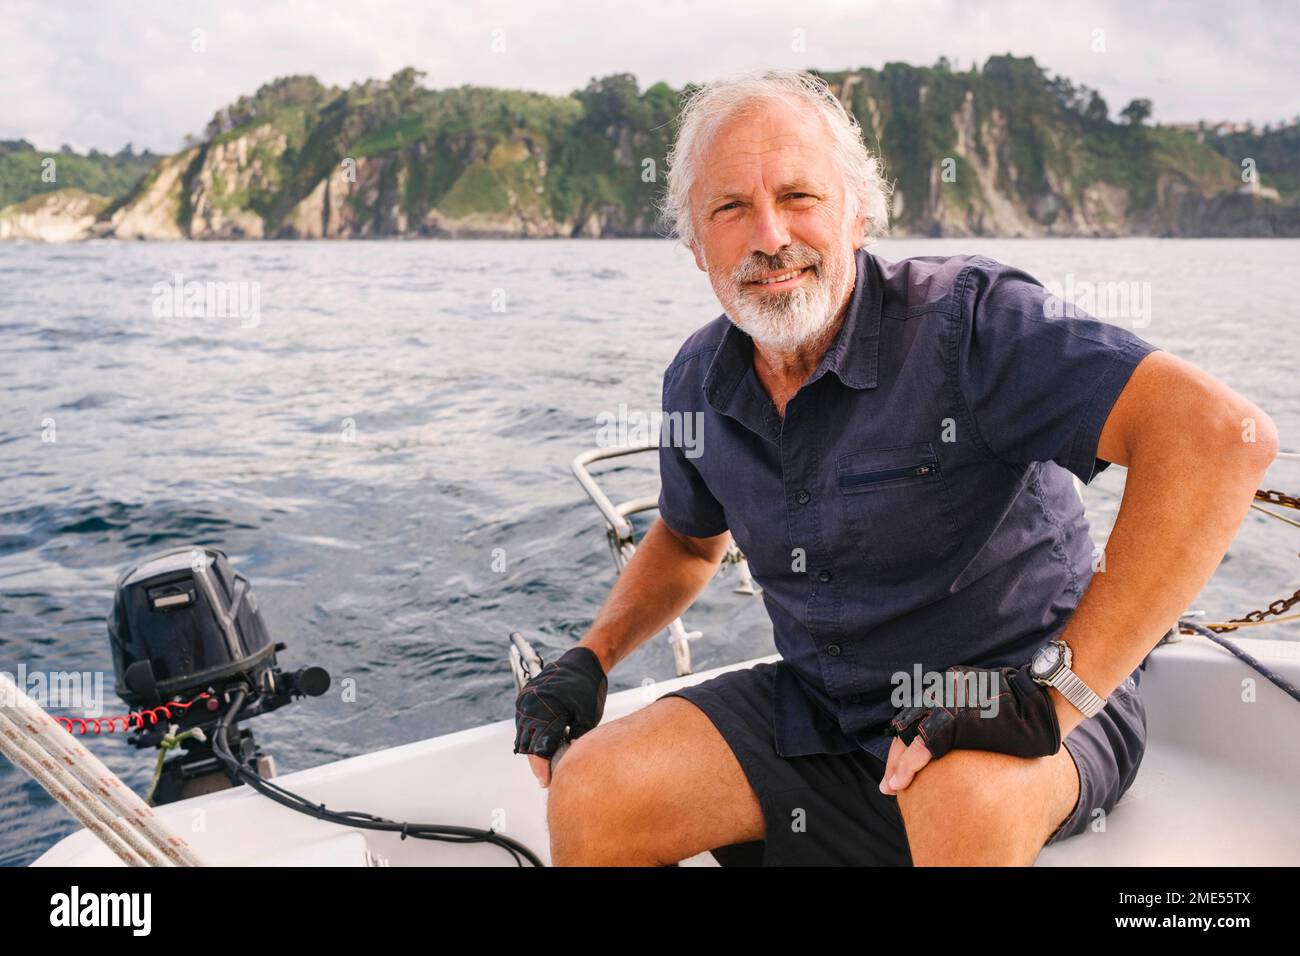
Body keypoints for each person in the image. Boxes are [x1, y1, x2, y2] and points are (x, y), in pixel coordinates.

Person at [513, 69, 1278, 866]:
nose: (769, 235)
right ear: (694, 242)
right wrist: (589, 659)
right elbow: (687, 541)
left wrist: (1054, 698)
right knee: (595, 790)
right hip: (826, 709)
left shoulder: (973, 320)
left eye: (800, 197)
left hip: (1011, 696)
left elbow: (1222, 435)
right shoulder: (697, 379)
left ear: (859, 214)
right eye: (730, 208)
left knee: (956, 795)